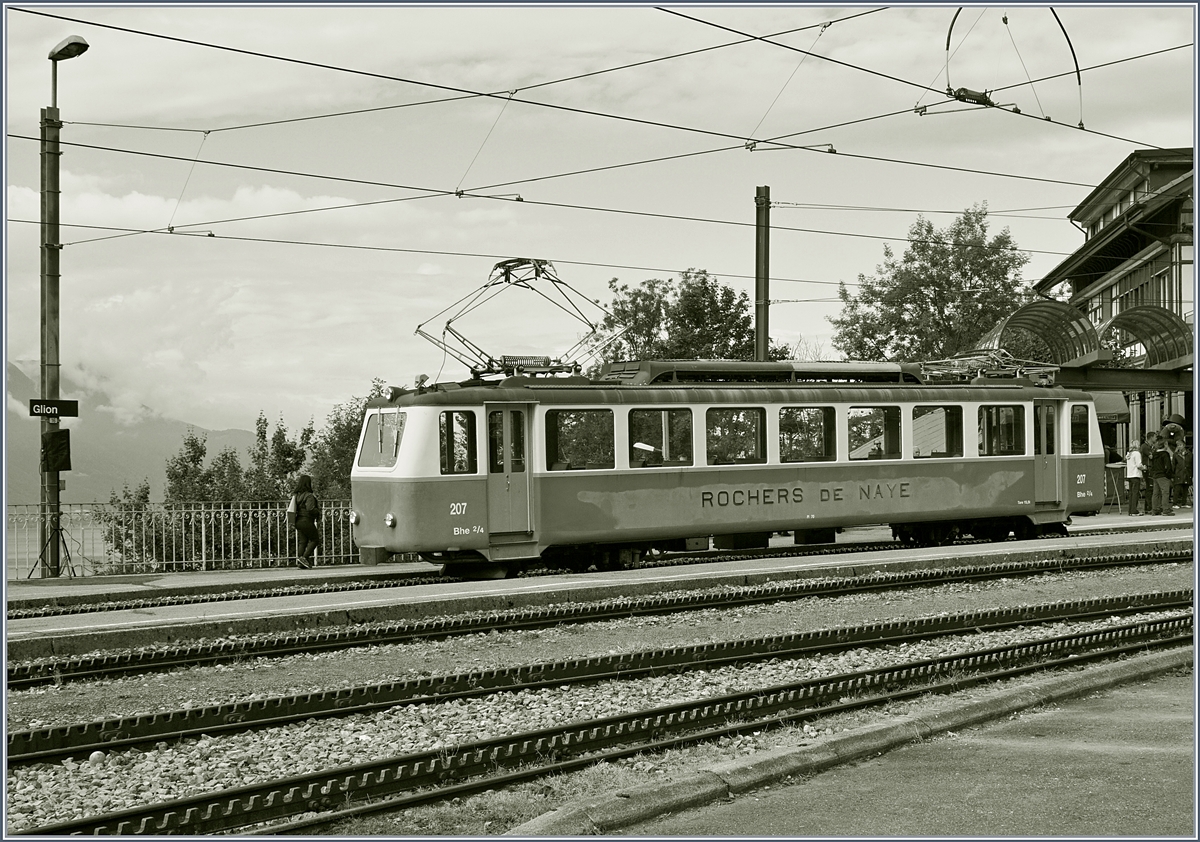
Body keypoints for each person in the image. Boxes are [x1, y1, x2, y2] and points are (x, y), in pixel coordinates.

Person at [291, 474, 321, 568]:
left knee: (303, 541)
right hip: (307, 521)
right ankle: (304, 557)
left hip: (298, 521)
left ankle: (301, 563)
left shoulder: (296, 496)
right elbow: (310, 509)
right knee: (315, 540)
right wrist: (318, 511)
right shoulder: (309, 496)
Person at [1147, 441, 1175, 516]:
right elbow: (1168, 466)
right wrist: (1169, 475)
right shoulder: (1165, 454)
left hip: (1155, 475)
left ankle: (1155, 509)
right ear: (1165, 445)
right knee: (1165, 492)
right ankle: (1165, 509)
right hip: (1163, 475)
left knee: (1156, 493)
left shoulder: (1154, 454)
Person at [1124, 439, 1144, 516]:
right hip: (1136, 475)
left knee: (1131, 494)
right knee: (1135, 493)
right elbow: (1139, 465)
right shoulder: (1137, 454)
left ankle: (1130, 510)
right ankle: (1134, 510)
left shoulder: (1129, 454)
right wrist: (1144, 467)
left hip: (1130, 475)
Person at [1172, 438, 1192, 510]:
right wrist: (1173, 474)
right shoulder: (1176, 455)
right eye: (1178, 445)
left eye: (1180, 445)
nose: (1179, 447)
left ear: (1184, 445)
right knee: (1177, 489)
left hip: (1187, 473)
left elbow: (1191, 464)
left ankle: (1184, 503)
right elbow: (1173, 465)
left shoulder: (1189, 454)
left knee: (1185, 489)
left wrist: (1192, 474)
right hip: (1178, 473)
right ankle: (1175, 503)